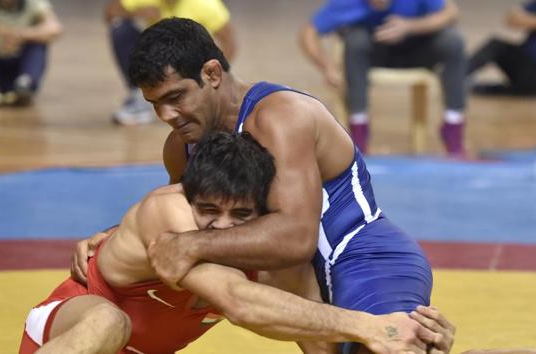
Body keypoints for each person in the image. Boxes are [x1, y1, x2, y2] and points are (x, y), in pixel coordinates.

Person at [73, 18, 450, 354]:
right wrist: (116, 234)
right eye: (155, 103)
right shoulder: (181, 145)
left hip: (359, 254)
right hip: (293, 279)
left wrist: (189, 245)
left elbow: (296, 237)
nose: (166, 116)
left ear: (212, 73)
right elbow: (180, 215)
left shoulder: (281, 116)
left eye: (175, 98)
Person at [20, 131, 440, 354]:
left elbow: (316, 335)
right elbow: (239, 301)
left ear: (263, 211)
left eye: (241, 216)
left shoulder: (276, 259)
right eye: (208, 211)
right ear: (188, 197)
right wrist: (371, 326)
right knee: (109, 321)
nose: (221, 230)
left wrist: (401, 340)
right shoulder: (170, 219)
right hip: (70, 332)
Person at [298, 0, 467, 156]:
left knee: (453, 41)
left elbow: (451, 13)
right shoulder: (349, 2)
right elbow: (309, 31)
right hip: (373, 54)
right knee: (355, 41)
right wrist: (326, 66)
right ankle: (359, 131)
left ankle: (453, 130)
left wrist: (411, 26)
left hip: (417, 51)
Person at [104, 0, 236, 125]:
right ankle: (139, 94)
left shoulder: (205, 4)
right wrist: (138, 12)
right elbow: (110, 12)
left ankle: (193, 92)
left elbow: (229, 43)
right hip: (158, 56)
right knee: (120, 28)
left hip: (189, 61)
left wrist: (210, 74)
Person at [467, 0, 536, 97]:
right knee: (496, 46)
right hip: (524, 65)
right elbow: (511, 18)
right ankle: (458, 75)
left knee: (497, 89)